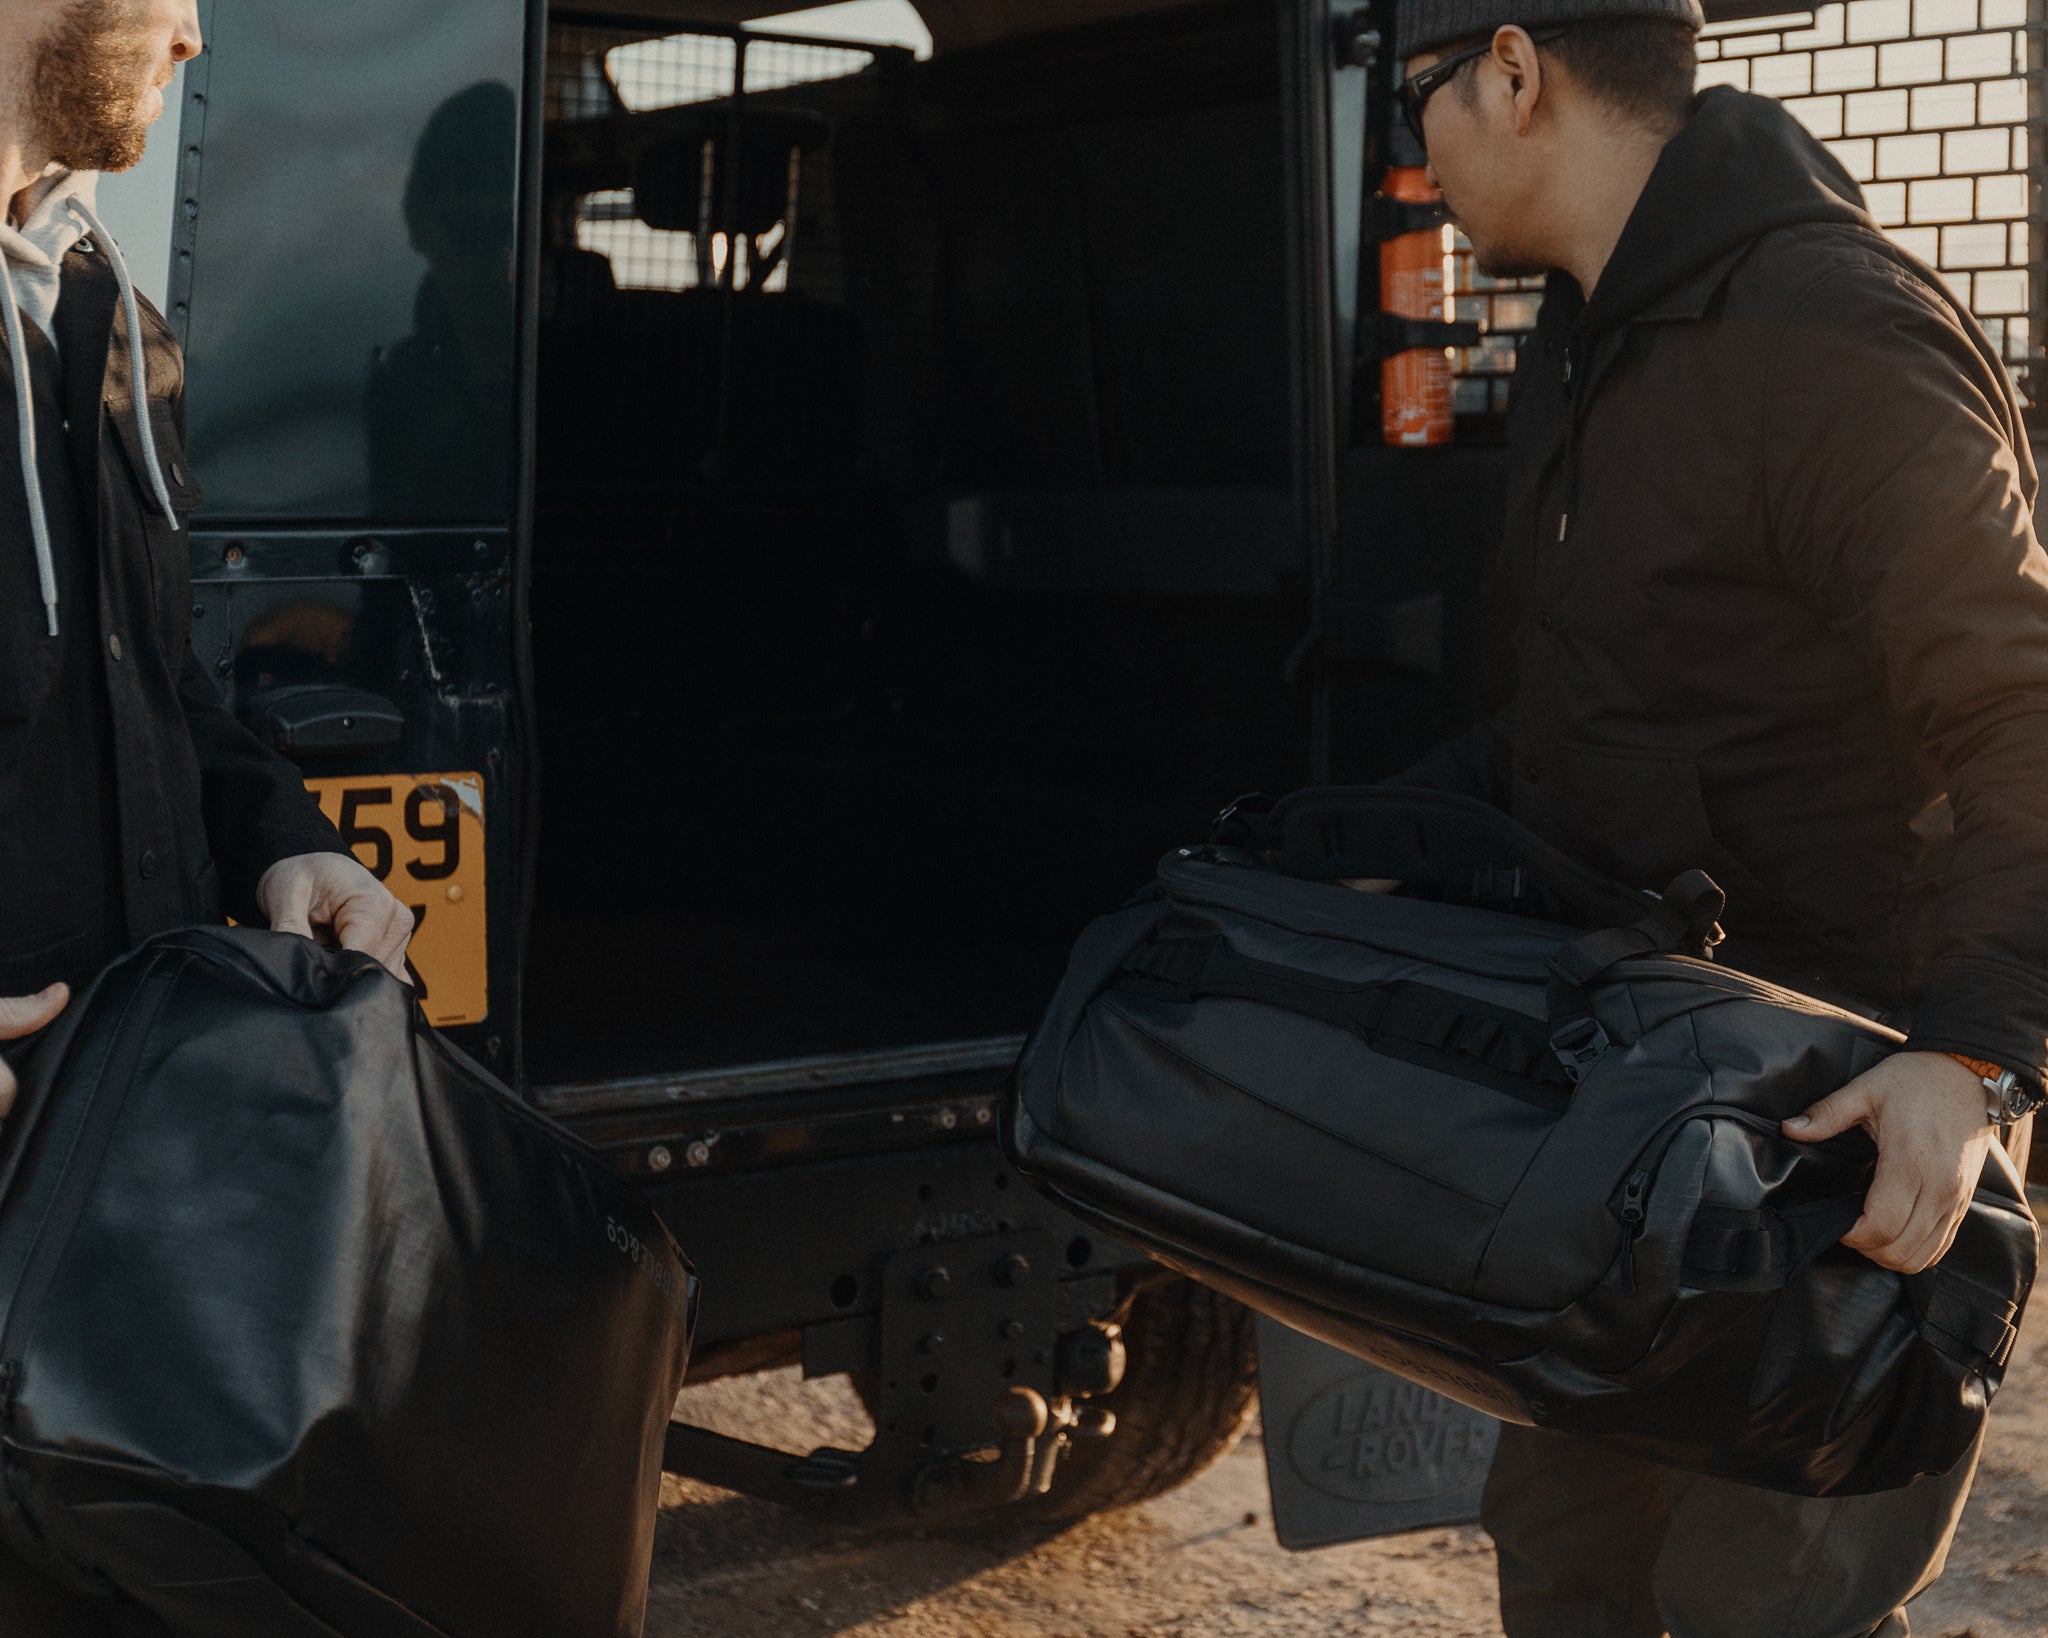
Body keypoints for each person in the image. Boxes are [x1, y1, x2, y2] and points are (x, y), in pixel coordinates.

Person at [1388, 2, 2046, 1634]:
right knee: (1569, 1568)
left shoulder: (1827, 331)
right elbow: (1596, 709)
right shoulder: (1584, 328)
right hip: (1619, 1122)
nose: (1413, 153)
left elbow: (2025, 712)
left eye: (1417, 100)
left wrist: (1965, 1061)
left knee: (1768, 1608)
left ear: (1515, 72)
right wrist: (1344, 844)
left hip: (1835, 1129)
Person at [1, 2, 413, 1628]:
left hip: (111, 1168)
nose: (189, 33)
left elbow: (159, 673)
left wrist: (282, 839)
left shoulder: (113, 313)